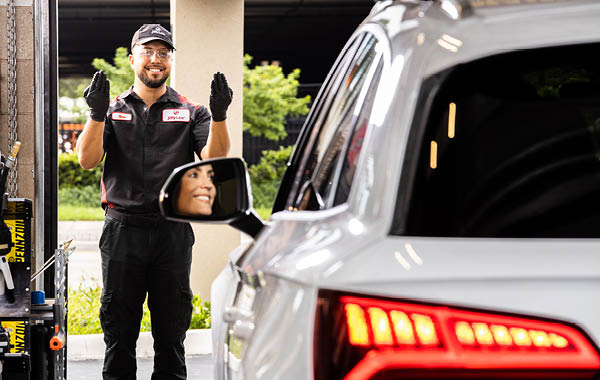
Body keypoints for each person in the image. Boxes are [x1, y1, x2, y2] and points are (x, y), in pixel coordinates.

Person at [76, 23, 232, 380]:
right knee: (119, 328)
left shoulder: (192, 111)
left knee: (171, 329)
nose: (155, 60)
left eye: (163, 53)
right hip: (122, 233)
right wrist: (96, 114)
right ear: (133, 60)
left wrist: (220, 115)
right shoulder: (113, 110)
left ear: (171, 61)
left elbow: (214, 160)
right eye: (147, 52)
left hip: (171, 233)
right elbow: (87, 160)